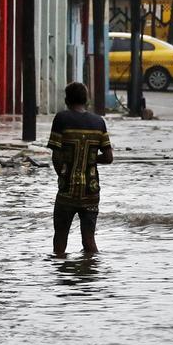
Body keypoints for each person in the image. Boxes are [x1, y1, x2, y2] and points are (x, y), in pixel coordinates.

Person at [47, 82, 113, 256]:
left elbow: (56, 156)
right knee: (89, 240)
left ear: (67, 99)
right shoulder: (99, 122)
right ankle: (90, 275)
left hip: (67, 190)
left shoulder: (61, 119)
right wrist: (89, 159)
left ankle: (61, 273)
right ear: (86, 100)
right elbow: (108, 158)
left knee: (60, 240)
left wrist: (63, 176)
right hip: (91, 191)